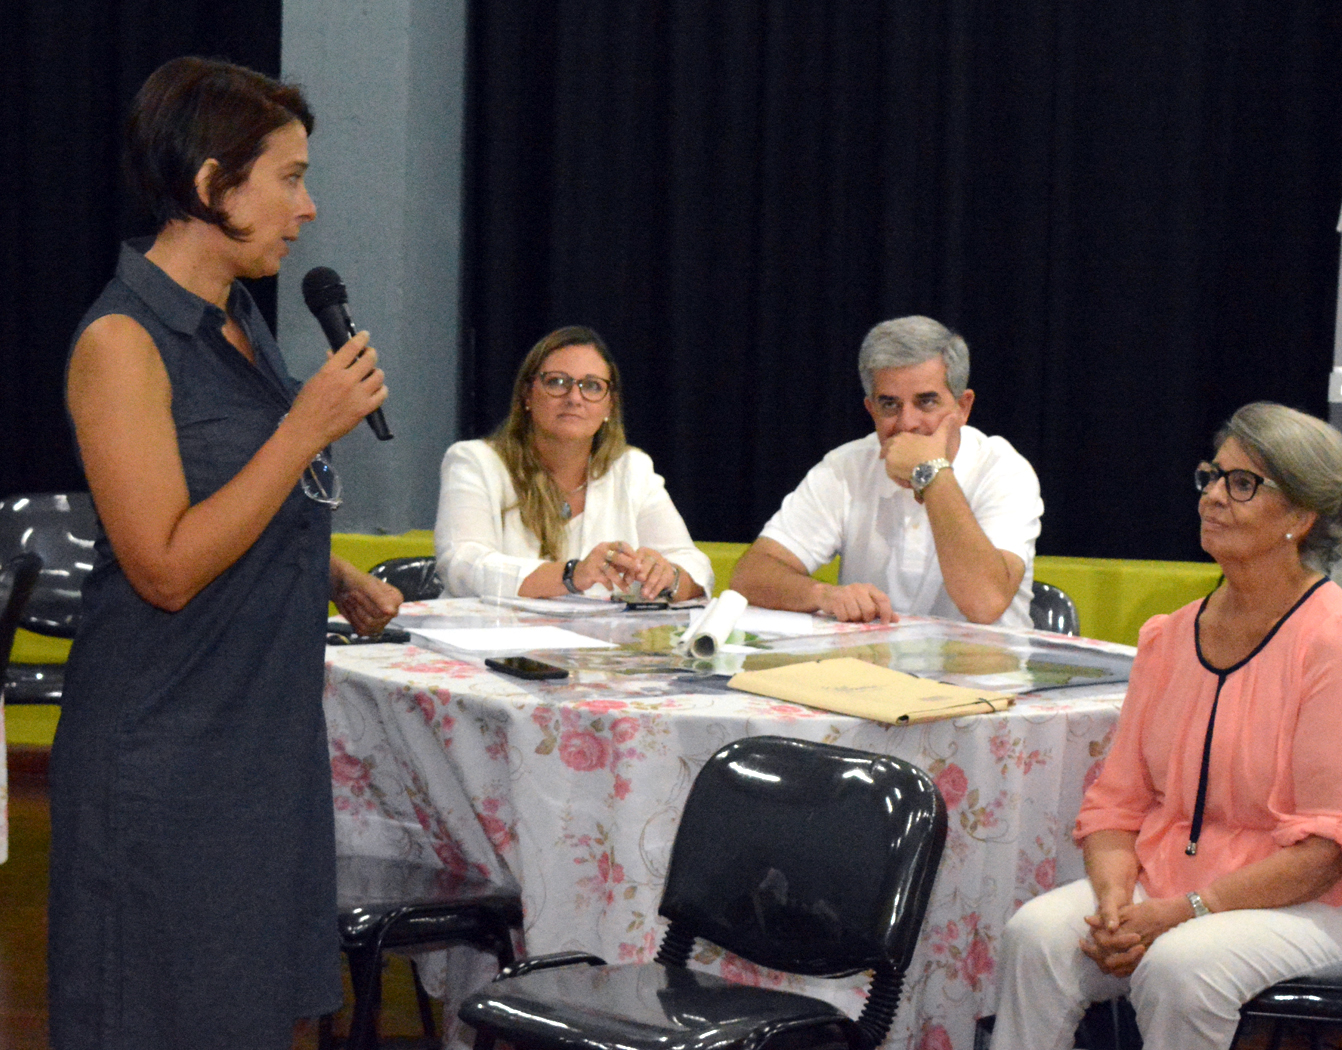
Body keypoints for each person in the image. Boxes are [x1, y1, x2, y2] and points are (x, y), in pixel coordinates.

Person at [48, 57, 403, 1049]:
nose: (307, 208)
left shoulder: (240, 321)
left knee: (245, 1018)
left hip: (256, 750)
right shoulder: (121, 343)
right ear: (212, 185)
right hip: (164, 760)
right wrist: (304, 427)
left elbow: (222, 497)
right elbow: (163, 567)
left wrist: (328, 571)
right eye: (289, 178)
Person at [991, 402, 1342, 1050]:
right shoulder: (1169, 636)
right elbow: (1116, 805)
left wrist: (1179, 913)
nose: (1214, 496)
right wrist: (1114, 904)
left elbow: (1327, 851)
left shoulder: (1333, 638)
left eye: (1242, 483)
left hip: (1341, 905)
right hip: (1179, 886)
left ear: (1300, 516)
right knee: (1036, 936)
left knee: (1180, 967)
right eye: (1212, 476)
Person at [730, 316, 1041, 627]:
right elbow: (751, 576)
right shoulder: (846, 467)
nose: (907, 423)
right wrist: (824, 595)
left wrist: (931, 473)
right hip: (872, 658)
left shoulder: (1004, 472)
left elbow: (985, 603)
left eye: (926, 402)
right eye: (890, 405)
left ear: (963, 407)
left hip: (984, 659)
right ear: (871, 410)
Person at [434, 325, 713, 602]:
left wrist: (668, 577)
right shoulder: (475, 462)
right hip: (493, 630)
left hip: (600, 632)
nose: (574, 398)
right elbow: (462, 565)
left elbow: (694, 566)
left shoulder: (632, 470)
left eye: (592, 386)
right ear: (527, 395)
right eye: (557, 382)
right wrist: (571, 575)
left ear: (609, 406)